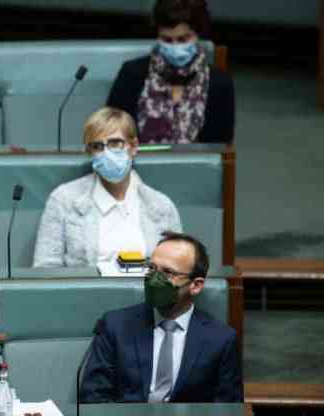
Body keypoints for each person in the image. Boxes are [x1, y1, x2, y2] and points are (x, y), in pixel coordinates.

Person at [81, 232, 243, 403]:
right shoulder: (116, 325)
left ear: (195, 286)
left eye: (168, 272)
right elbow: (94, 396)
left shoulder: (221, 340)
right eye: (152, 268)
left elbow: (227, 407)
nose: (154, 280)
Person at [33, 107, 181, 268]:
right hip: (85, 292)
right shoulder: (64, 200)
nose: (106, 153)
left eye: (115, 143)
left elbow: (178, 268)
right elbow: (46, 268)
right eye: (97, 146)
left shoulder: (161, 206)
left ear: (133, 147)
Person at [107, 0, 234, 144]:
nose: (175, 47)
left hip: (195, 165)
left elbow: (220, 146)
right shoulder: (132, 74)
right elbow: (111, 132)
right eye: (167, 40)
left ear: (198, 35)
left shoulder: (218, 83)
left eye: (183, 39)